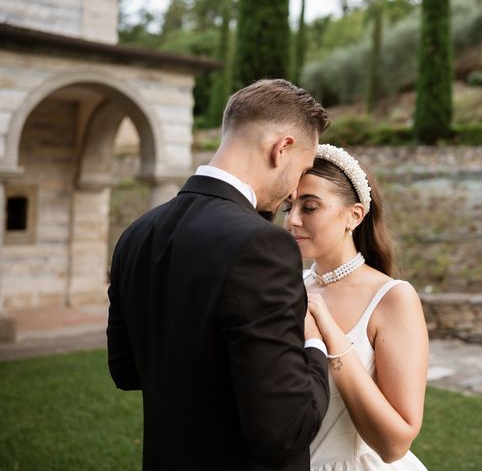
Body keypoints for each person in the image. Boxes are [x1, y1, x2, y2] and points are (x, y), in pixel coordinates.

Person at [107, 79, 332, 470]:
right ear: (282, 149)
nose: (296, 189)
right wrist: (314, 346)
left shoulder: (137, 233)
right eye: (304, 169)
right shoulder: (263, 246)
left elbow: (126, 371)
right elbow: (286, 432)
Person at [283, 144, 430, 470]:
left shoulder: (393, 298)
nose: (292, 220)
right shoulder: (288, 289)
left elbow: (394, 444)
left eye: (309, 207)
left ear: (355, 215)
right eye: (288, 207)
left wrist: (331, 336)